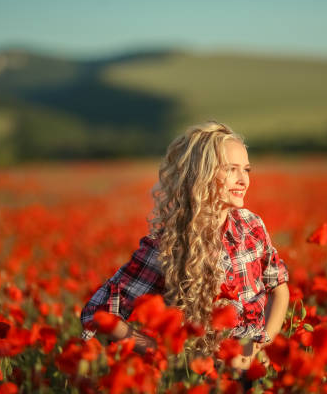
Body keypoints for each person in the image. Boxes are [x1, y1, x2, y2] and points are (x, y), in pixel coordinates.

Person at [80, 122, 289, 373]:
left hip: (258, 369)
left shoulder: (252, 227)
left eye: (246, 169)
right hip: (205, 376)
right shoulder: (170, 245)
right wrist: (159, 350)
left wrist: (261, 346)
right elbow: (97, 312)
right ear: (202, 175)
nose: (243, 179)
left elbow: (279, 290)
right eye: (232, 170)